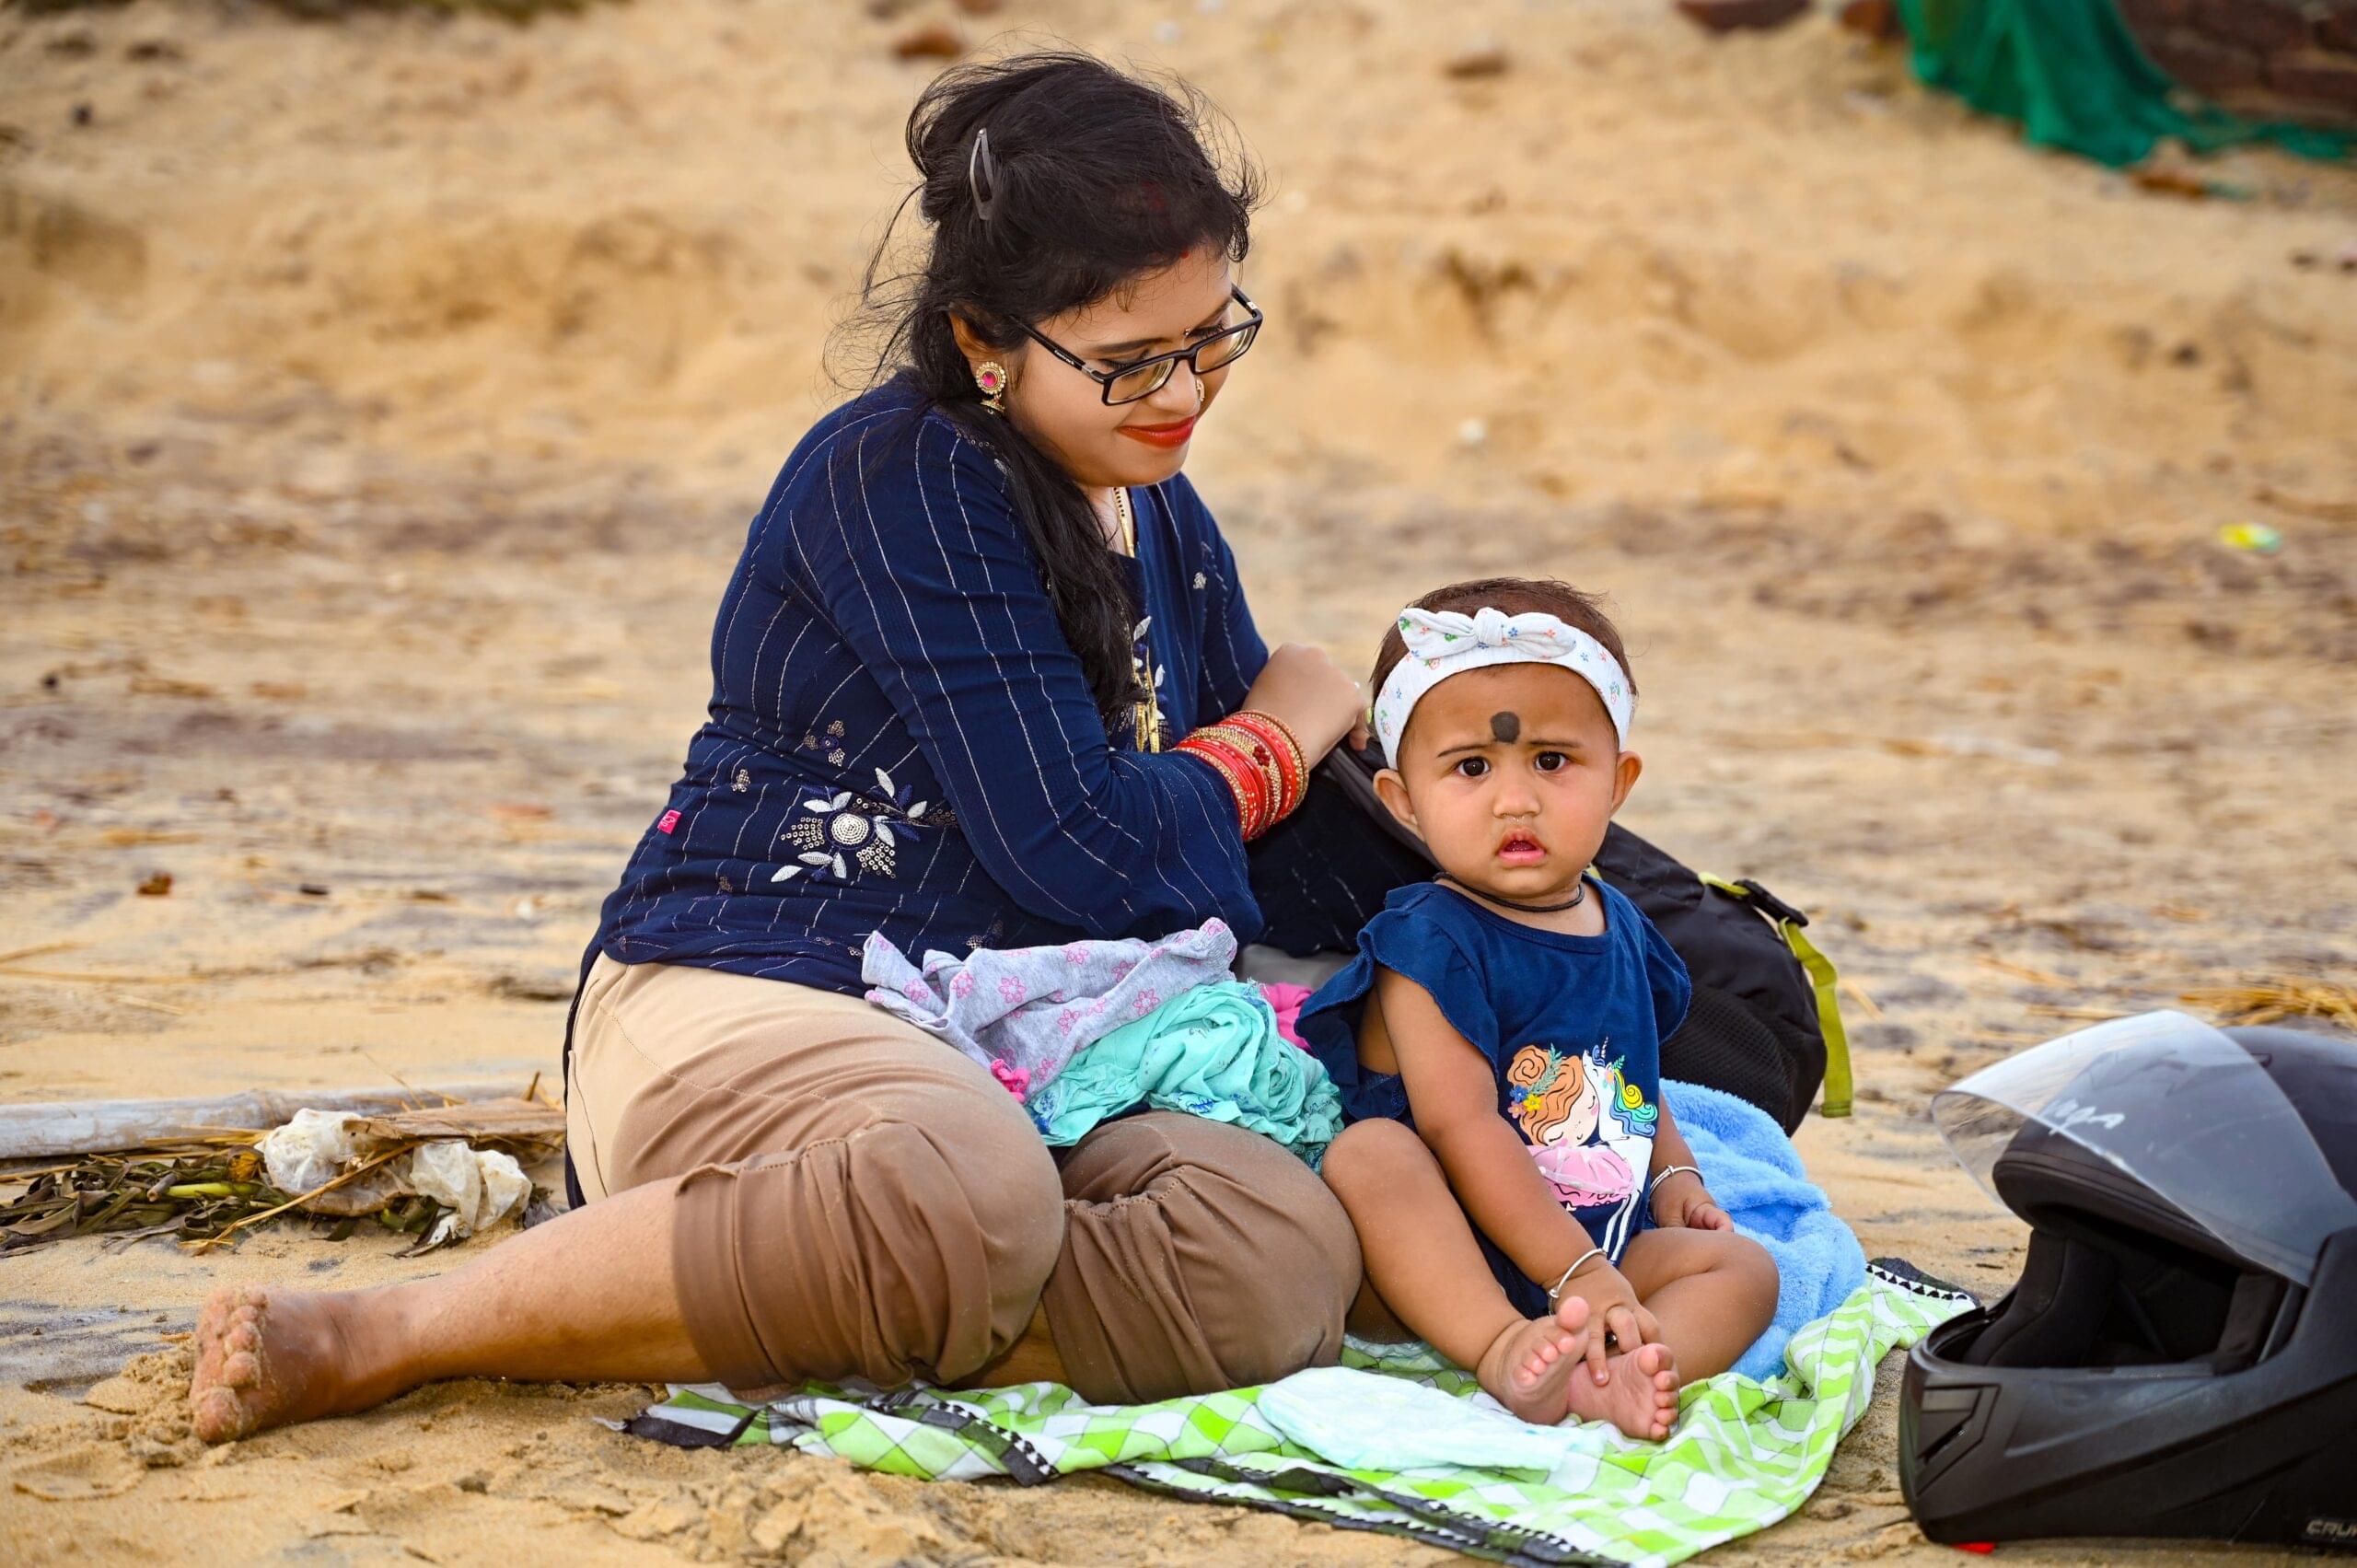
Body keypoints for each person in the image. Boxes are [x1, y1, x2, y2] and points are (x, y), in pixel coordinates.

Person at [187, 51, 1432, 1444]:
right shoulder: (902, 473)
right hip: (763, 993)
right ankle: (397, 1332)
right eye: (1131, 360)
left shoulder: (1161, 518)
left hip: (1026, 1042)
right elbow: (1082, 846)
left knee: (1281, 1252)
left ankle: (826, 1289)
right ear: (984, 339)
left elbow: (1188, 877)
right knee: (973, 1192)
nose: (1185, 391)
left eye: (1214, 336)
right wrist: (1277, 730)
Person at [1301, 577, 1779, 1436]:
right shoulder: (1428, 942)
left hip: (1602, 1237)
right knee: (1372, 1156)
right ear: (1403, 800)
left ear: (1619, 781)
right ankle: (1500, 1352)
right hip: (1448, 1253)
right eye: (1472, 767)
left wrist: (1675, 1176)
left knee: (1746, 1270)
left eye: (1552, 762)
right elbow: (1461, 1128)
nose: (1514, 800)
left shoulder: (1621, 923)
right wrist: (1576, 1275)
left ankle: (1622, 1365)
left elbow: (1631, 1073)